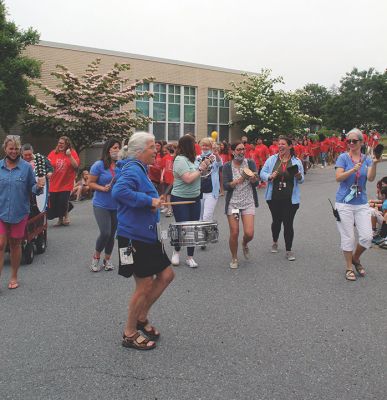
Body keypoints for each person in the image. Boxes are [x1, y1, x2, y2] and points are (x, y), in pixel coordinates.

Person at [112, 131, 174, 351]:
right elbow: (118, 192)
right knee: (144, 284)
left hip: (148, 234)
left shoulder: (141, 168)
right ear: (139, 151)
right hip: (133, 238)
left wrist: (154, 203)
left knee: (167, 275)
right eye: (151, 148)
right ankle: (129, 333)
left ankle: (141, 317)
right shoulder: (131, 169)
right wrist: (149, 200)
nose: (156, 151)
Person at [334, 128, 381, 281]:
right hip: (344, 203)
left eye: (355, 141)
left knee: (367, 237)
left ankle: (356, 258)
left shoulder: (366, 158)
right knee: (348, 237)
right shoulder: (343, 157)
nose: (351, 143)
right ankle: (349, 267)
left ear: (361, 142)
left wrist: (374, 164)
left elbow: (371, 178)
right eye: (349, 141)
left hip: (361, 203)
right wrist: (352, 170)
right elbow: (338, 178)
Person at [0, 135, 45, 289]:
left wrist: (39, 186)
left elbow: (32, 188)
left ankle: (14, 276)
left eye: (16, 148)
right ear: (5, 149)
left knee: (15, 244)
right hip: (1, 212)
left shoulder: (26, 168)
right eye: (10, 148)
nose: (13, 151)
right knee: (0, 244)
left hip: (19, 212)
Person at [260, 136, 304, 261]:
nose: (280, 146)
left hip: (291, 199)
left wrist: (299, 176)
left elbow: (301, 180)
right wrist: (269, 176)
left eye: (283, 144)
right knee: (276, 221)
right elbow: (262, 173)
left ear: (290, 146)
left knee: (288, 223)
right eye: (279, 144)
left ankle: (289, 250)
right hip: (274, 197)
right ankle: (275, 241)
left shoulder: (296, 161)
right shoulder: (271, 160)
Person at [170, 134, 210, 268]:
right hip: (180, 198)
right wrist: (200, 169)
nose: (196, 147)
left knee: (193, 226)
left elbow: (198, 175)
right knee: (182, 226)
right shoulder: (180, 160)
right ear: (188, 146)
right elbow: (187, 178)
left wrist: (204, 167)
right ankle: (176, 252)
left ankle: (190, 257)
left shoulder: (191, 160)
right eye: (193, 144)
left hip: (194, 198)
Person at [223, 142, 259, 269]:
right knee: (234, 232)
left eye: (243, 149)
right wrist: (237, 181)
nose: (242, 152)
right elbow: (225, 186)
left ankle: (244, 244)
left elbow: (256, 182)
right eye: (239, 149)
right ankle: (234, 257)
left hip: (248, 202)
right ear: (233, 152)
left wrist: (254, 180)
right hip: (234, 204)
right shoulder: (227, 166)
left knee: (249, 233)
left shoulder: (250, 163)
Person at [88, 138, 121, 272]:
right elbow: (90, 183)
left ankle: (107, 259)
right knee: (105, 232)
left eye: (118, 147)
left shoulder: (121, 165)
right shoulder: (99, 165)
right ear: (108, 149)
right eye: (114, 148)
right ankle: (96, 257)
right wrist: (102, 188)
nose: (117, 150)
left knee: (112, 234)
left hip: (117, 205)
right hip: (101, 204)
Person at [47, 136, 79, 226]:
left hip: (66, 182)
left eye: (62, 143)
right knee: (54, 202)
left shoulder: (72, 153)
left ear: (67, 144)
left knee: (63, 201)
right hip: (54, 182)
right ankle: (61, 218)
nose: (60, 145)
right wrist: (48, 172)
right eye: (59, 143)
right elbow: (47, 164)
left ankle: (64, 217)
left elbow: (76, 166)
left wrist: (69, 156)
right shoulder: (53, 153)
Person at [198, 137, 222, 222]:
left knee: (207, 217)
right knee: (199, 218)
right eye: (203, 145)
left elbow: (220, 164)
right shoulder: (198, 157)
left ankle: (207, 234)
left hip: (211, 191)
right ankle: (203, 235)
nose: (205, 147)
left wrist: (217, 155)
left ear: (210, 147)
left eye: (207, 146)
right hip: (199, 191)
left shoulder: (213, 157)